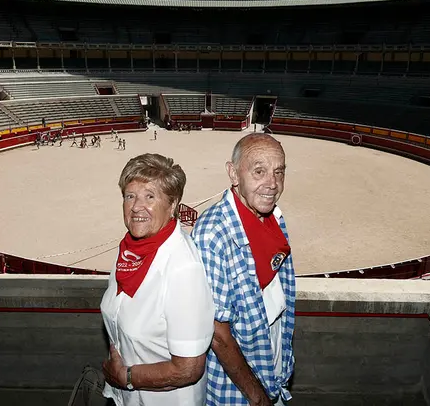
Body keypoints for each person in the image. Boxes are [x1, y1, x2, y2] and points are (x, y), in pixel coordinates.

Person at [101, 154, 215, 406]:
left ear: (172, 204)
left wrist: (125, 376)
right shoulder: (129, 251)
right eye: (130, 196)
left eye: (149, 196)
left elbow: (189, 368)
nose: (136, 206)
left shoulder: (182, 268)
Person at [192, 134, 295, 406]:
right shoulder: (213, 233)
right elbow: (218, 333)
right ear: (233, 173)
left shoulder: (275, 218)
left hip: (271, 371)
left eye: (279, 172)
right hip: (237, 393)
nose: (272, 184)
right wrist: (258, 398)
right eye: (259, 171)